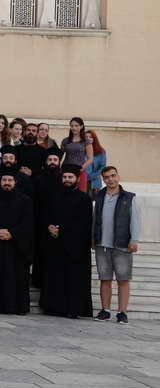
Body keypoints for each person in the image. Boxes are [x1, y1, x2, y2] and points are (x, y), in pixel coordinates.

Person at [40, 164, 93, 319]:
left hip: (75, 248)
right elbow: (45, 216)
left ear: (76, 179)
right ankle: (53, 307)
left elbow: (83, 224)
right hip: (55, 245)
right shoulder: (53, 196)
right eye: (65, 177)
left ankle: (73, 309)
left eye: (70, 177)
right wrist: (49, 227)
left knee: (73, 279)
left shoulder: (84, 199)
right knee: (55, 277)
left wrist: (62, 231)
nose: (67, 180)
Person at [93, 166, 140, 324]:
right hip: (102, 244)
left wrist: (134, 240)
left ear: (118, 176)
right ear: (103, 179)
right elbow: (94, 218)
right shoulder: (99, 196)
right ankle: (105, 310)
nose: (110, 179)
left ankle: (122, 312)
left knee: (123, 279)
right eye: (106, 177)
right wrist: (93, 238)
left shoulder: (129, 197)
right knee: (104, 279)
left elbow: (135, 219)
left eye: (113, 176)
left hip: (122, 244)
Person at [0, 170, 33, 315]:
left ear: (15, 182)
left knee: (16, 279)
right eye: (4, 180)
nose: (7, 183)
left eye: (10, 180)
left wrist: (12, 233)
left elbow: (27, 222)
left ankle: (17, 307)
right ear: (0, 182)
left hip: (17, 248)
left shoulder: (25, 200)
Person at [32, 147, 64, 287]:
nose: (52, 162)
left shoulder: (64, 180)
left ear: (59, 162)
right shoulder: (38, 179)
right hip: (40, 222)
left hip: (58, 224)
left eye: (55, 160)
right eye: (50, 159)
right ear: (45, 162)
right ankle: (38, 281)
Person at [60, 117, 94, 192]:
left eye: (76, 125)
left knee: (80, 194)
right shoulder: (65, 141)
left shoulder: (86, 141)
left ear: (81, 126)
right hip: (66, 171)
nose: (74, 128)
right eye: (72, 126)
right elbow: (60, 156)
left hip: (80, 171)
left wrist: (81, 169)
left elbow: (90, 158)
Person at [85, 130, 107, 194]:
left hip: (94, 181)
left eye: (90, 137)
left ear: (94, 139)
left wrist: (92, 176)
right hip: (81, 180)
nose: (88, 139)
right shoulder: (80, 150)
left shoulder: (101, 152)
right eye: (86, 137)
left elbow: (102, 167)